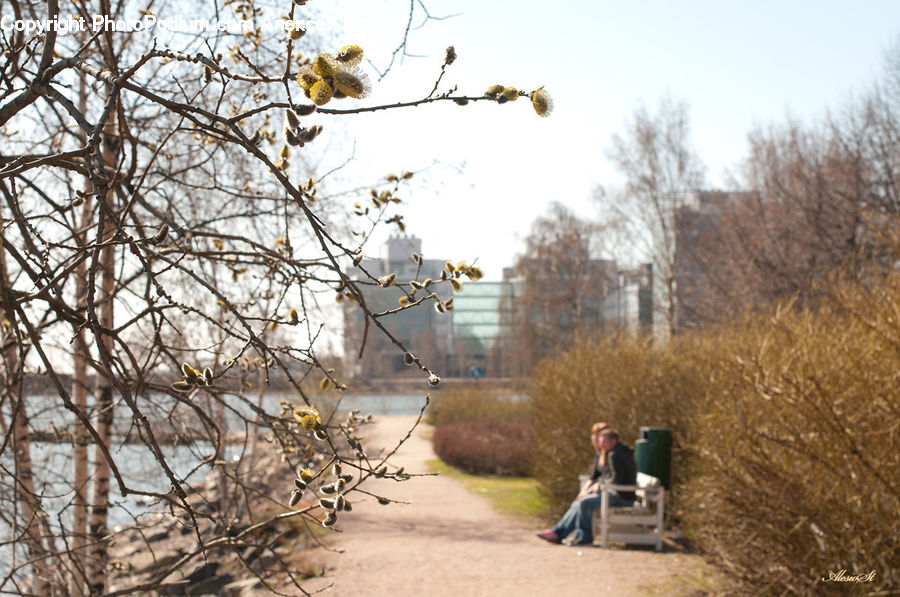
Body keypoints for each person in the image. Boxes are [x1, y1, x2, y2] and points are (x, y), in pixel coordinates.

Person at [536, 425, 637, 546]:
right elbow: (607, 476)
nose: (602, 444)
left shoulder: (615, 455)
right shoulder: (614, 453)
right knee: (581, 501)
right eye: (601, 441)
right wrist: (595, 486)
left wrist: (599, 486)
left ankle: (584, 537)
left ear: (613, 441)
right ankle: (559, 533)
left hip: (622, 497)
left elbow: (617, 479)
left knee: (585, 502)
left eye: (604, 441)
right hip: (618, 493)